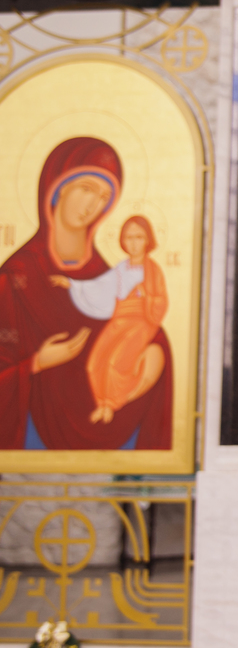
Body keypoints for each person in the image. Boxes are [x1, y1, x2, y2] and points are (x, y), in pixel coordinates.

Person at [0, 137, 172, 450]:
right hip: (32, 434)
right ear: (57, 188)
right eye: (87, 189)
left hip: (113, 420)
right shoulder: (17, 275)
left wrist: (156, 350)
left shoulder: (105, 274)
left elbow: (141, 326)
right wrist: (36, 363)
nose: (93, 205)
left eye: (104, 197)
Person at [51, 215, 168, 425]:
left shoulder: (153, 271)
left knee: (116, 361)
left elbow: (161, 301)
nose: (134, 243)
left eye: (139, 237)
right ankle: (102, 404)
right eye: (129, 237)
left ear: (148, 240)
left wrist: (145, 296)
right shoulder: (121, 269)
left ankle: (112, 404)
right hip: (118, 320)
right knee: (94, 363)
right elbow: (99, 287)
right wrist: (72, 284)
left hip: (142, 322)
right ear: (122, 241)